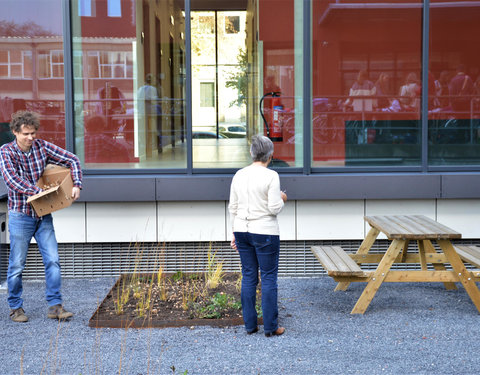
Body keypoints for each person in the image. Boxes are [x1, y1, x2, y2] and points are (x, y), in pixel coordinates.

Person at [0, 110, 82, 323]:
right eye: (26, 133)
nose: (31, 137)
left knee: (53, 260)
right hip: (20, 215)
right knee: (17, 264)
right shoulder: (6, 151)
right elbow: (12, 181)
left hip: (43, 215)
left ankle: (55, 306)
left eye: (33, 133)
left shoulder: (42, 146)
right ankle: (16, 308)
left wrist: (76, 184)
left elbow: (72, 159)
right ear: (15, 132)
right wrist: (39, 191)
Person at [228, 135, 287, 337]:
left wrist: (234, 232)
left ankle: (250, 325)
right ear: (270, 155)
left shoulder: (239, 175)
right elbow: (274, 208)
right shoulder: (271, 176)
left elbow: (233, 207)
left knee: (249, 276)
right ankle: (271, 327)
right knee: (268, 277)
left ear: (252, 153)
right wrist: (282, 197)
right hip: (264, 231)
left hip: (241, 229)